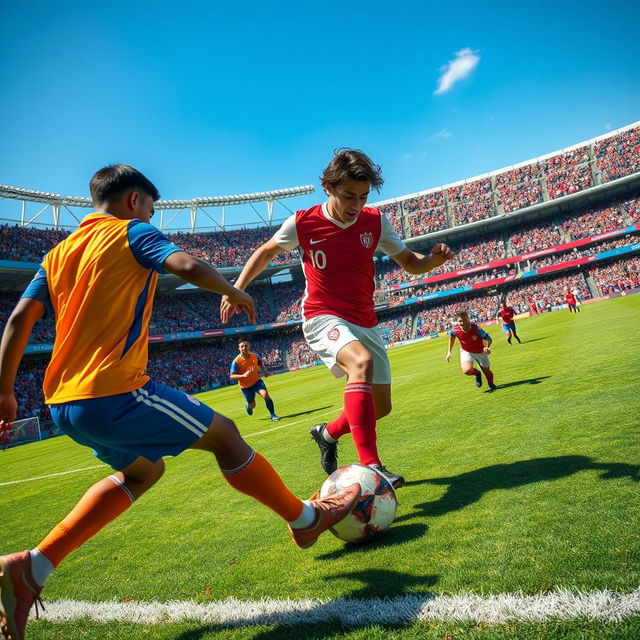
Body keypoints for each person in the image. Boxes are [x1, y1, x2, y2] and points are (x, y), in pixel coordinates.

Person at [0, 165, 360, 640]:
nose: (154, 217)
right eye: (152, 208)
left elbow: (20, 318)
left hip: (62, 402)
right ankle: (306, 519)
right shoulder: (132, 231)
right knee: (227, 436)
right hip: (116, 390)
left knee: (143, 472)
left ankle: (33, 568)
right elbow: (183, 264)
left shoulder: (58, 254)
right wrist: (231, 288)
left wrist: (5, 390)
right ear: (134, 202)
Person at [221, 149, 452, 488]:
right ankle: (372, 466)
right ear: (327, 187)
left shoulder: (375, 222)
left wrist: (431, 261)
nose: (356, 205)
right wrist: (236, 287)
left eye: (362, 196)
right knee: (359, 362)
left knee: (380, 407)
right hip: (322, 315)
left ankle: (327, 435)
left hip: (364, 318)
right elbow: (267, 251)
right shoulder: (303, 222)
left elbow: (410, 262)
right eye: (348, 196)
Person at [446, 310, 497, 392]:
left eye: (465, 319)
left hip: (480, 351)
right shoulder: (455, 330)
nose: (463, 322)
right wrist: (449, 352)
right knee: (467, 370)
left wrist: (487, 347)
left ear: (468, 319)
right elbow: (451, 338)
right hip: (466, 351)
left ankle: (491, 385)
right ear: (457, 322)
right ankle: (477, 373)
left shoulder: (476, 328)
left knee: (487, 371)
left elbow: (488, 338)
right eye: (460, 321)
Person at [230, 339, 280, 421]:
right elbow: (232, 376)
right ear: (239, 348)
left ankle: (273, 415)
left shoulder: (255, 355)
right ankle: (248, 405)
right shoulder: (236, 361)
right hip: (246, 386)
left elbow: (260, 363)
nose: (244, 347)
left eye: (246, 345)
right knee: (252, 405)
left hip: (257, 381)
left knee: (265, 395)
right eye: (242, 346)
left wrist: (265, 372)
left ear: (249, 346)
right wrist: (243, 375)